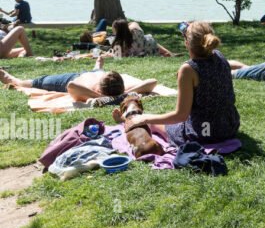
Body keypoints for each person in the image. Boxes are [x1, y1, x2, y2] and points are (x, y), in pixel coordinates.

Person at [120, 21, 240, 147]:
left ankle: (128, 118)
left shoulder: (189, 69)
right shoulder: (220, 56)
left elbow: (180, 115)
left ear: (187, 43)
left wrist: (146, 118)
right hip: (229, 127)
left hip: (206, 133)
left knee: (153, 123)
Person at [0, 55, 156, 101]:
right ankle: (98, 67)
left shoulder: (110, 89)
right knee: (96, 70)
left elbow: (71, 86)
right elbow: (152, 82)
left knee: (26, 83)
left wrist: (99, 96)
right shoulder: (116, 87)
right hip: (92, 74)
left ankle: (5, 75)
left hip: (71, 79)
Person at [110, 19, 174, 57]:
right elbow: (134, 23)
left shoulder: (118, 43)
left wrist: (106, 55)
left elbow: (117, 57)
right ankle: (168, 53)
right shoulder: (136, 31)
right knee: (148, 39)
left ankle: (166, 54)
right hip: (150, 48)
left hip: (141, 54)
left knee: (147, 39)